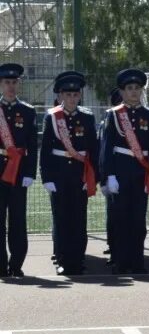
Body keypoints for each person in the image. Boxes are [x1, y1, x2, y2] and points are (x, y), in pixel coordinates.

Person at [100, 68, 149, 275]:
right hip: (120, 170)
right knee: (120, 218)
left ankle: (137, 260)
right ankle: (120, 260)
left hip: (141, 171)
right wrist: (108, 176)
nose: (134, 92)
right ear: (122, 92)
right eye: (129, 88)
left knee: (138, 218)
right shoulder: (114, 115)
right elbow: (106, 148)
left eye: (137, 88)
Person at [40, 71, 96, 276]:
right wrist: (47, 178)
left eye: (75, 94)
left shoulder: (87, 117)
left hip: (80, 175)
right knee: (61, 219)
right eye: (68, 94)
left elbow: (94, 149)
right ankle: (62, 259)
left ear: (79, 96)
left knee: (79, 219)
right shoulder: (52, 117)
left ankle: (78, 259)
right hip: (59, 175)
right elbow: (45, 150)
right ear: (61, 96)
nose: (72, 98)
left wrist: (92, 177)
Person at [0, 62, 36, 277]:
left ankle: (16, 264)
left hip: (19, 173)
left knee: (18, 221)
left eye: (14, 82)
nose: (11, 86)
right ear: (1, 85)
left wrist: (30, 173)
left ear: (18, 84)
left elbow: (32, 145)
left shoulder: (28, 111)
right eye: (7, 82)